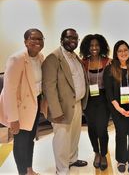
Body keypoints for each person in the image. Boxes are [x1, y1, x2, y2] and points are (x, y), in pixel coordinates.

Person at [42, 28, 89, 174]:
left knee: (75, 135)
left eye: (75, 38)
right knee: (62, 140)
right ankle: (61, 169)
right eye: (69, 38)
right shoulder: (53, 58)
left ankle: (72, 159)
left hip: (77, 104)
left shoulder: (76, 57)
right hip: (61, 108)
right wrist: (56, 111)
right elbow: (49, 88)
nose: (73, 41)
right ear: (61, 39)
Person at [0, 29, 45, 175]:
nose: (37, 42)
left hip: (34, 104)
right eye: (33, 39)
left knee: (30, 140)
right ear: (25, 41)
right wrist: (13, 119)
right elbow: (9, 92)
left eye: (40, 39)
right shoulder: (16, 59)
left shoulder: (40, 57)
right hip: (20, 108)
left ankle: (29, 170)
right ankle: (22, 173)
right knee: (20, 143)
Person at [103, 40, 129, 173]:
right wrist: (118, 108)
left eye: (125, 50)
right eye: (120, 51)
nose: (123, 53)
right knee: (121, 133)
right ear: (116, 53)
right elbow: (108, 91)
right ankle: (121, 159)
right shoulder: (110, 69)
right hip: (117, 108)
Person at [80, 34, 111, 170]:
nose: (94, 48)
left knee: (102, 128)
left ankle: (104, 153)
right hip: (89, 99)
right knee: (91, 128)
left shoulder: (108, 61)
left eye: (97, 45)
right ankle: (96, 152)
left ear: (101, 46)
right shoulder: (83, 62)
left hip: (104, 99)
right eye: (91, 45)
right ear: (87, 47)